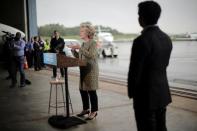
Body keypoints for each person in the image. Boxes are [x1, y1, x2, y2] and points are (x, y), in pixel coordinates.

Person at [127, 1, 173, 131]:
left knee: (145, 127)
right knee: (161, 127)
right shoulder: (166, 38)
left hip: (144, 96)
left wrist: (131, 92)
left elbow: (135, 71)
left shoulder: (141, 41)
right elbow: (164, 65)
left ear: (142, 17)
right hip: (162, 93)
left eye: (138, 14)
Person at [70, 23, 99, 120]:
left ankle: (94, 111)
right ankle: (86, 109)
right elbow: (80, 57)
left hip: (91, 70)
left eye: (82, 31)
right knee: (82, 89)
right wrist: (74, 50)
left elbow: (91, 55)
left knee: (91, 90)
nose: (80, 32)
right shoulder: (83, 44)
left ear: (88, 33)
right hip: (83, 69)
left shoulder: (93, 43)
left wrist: (79, 48)